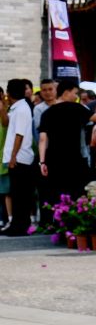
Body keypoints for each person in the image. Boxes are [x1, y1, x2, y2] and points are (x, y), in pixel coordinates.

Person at [39, 80, 96, 215]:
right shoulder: (77, 108)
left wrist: (42, 162)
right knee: (76, 194)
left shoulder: (47, 113)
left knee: (56, 193)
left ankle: (58, 219)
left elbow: (43, 139)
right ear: (67, 92)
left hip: (53, 158)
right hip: (74, 158)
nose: (76, 97)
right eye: (75, 93)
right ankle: (73, 220)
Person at [2, 79, 36, 235]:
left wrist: (13, 156)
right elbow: (6, 123)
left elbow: (19, 134)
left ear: (9, 92)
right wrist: (3, 107)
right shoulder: (16, 108)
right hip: (16, 157)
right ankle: (17, 224)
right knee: (17, 193)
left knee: (21, 195)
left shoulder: (22, 108)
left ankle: (20, 226)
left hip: (20, 158)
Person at [0, 86, 10, 229]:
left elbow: (5, 123)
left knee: (5, 192)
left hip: (4, 157)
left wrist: (2, 109)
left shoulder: (8, 112)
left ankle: (5, 218)